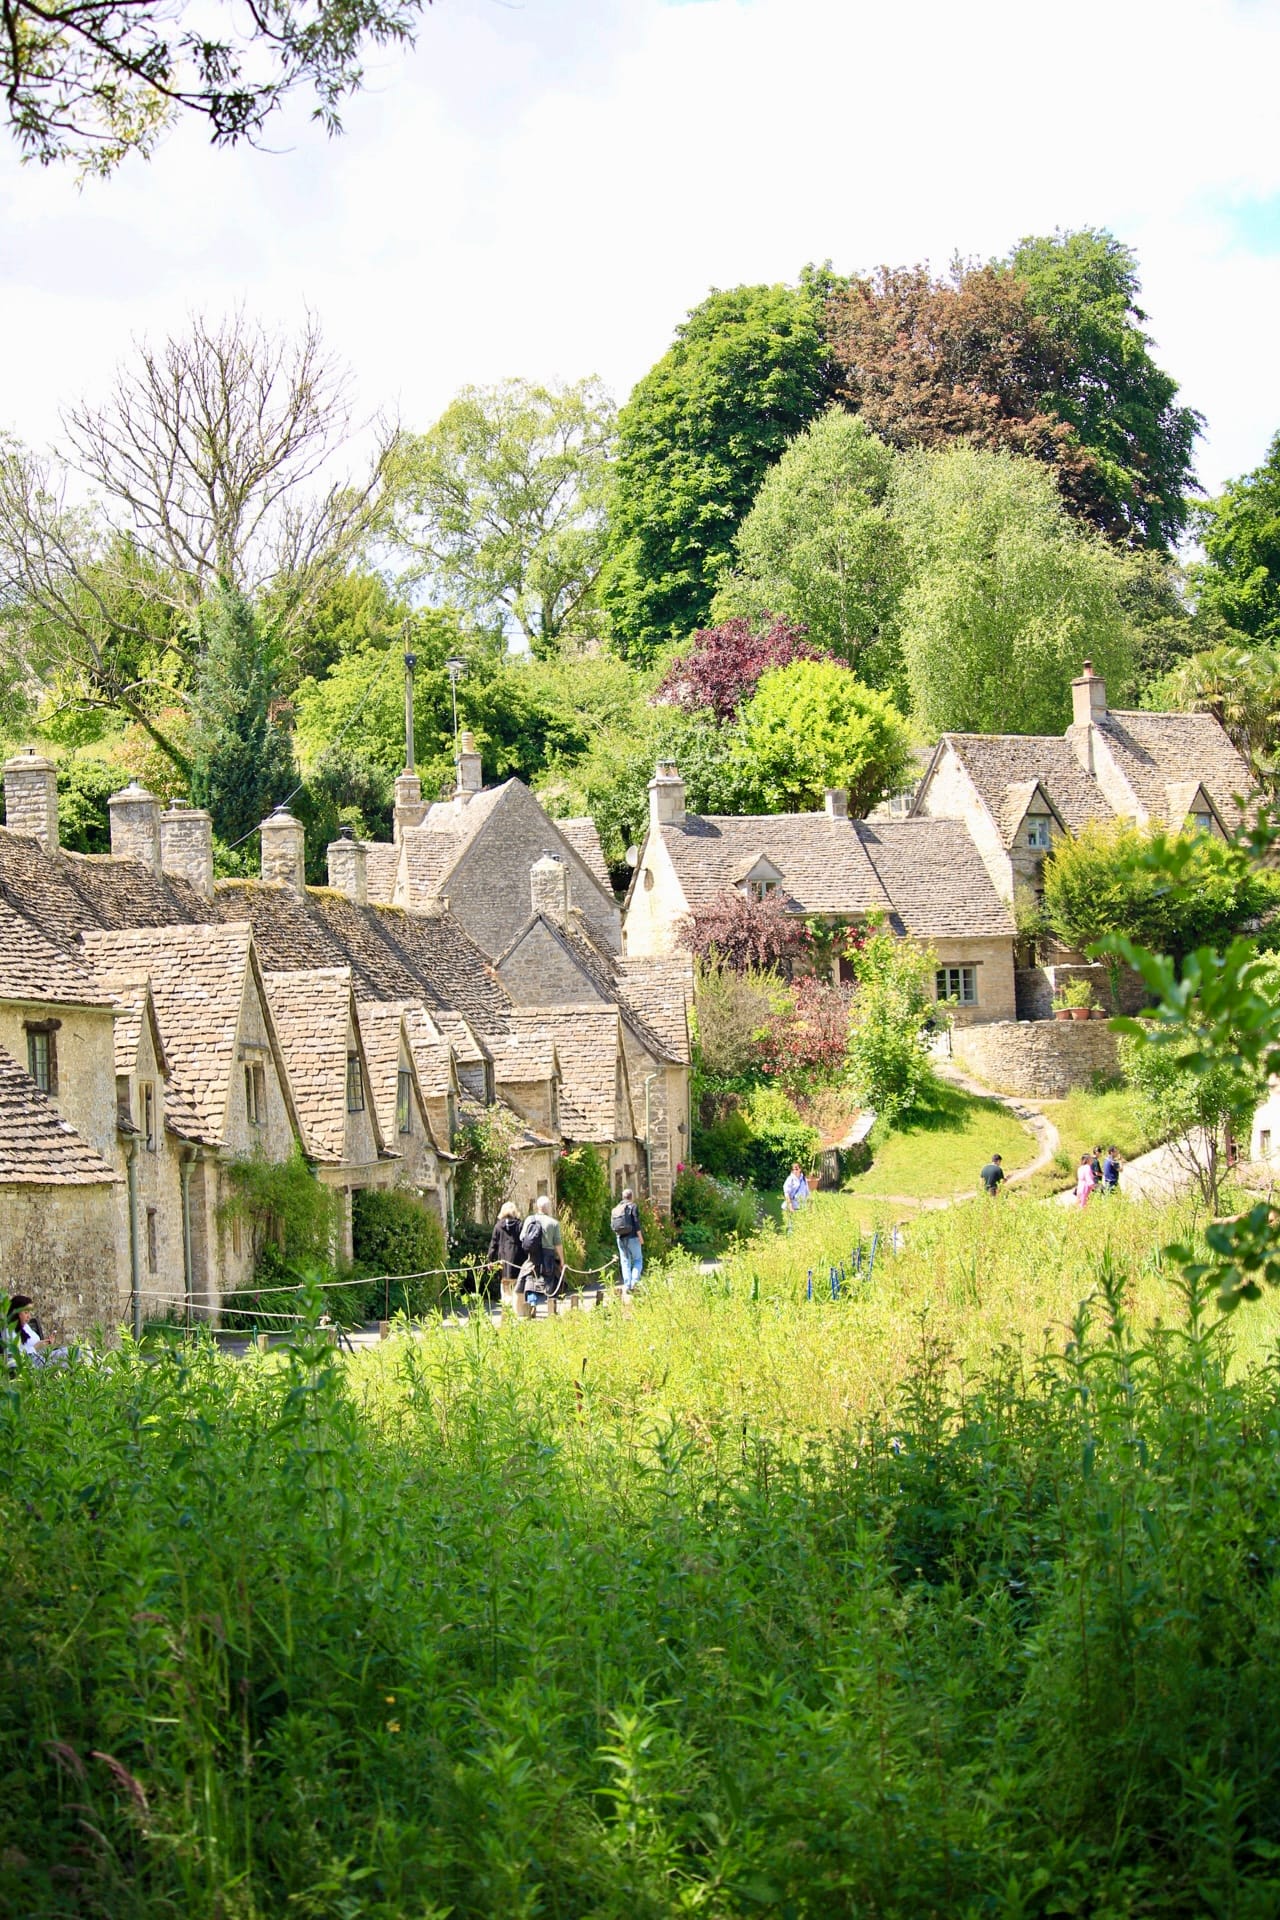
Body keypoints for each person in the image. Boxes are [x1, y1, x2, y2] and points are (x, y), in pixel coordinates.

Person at [517, 1194, 564, 1315]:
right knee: (549, 1280)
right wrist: (562, 1261)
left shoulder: (529, 1219)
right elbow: (558, 1244)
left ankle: (532, 1303)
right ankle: (551, 1307)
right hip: (548, 1255)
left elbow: (522, 1237)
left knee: (531, 1278)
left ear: (538, 1207)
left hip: (533, 1255)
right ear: (547, 1207)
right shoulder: (553, 1223)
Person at [486, 1202, 523, 1306]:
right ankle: (517, 1312)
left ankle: (506, 1313)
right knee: (517, 1288)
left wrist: (490, 1260)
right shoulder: (520, 1225)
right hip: (518, 1261)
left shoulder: (498, 1226)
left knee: (505, 1288)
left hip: (503, 1261)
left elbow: (493, 1244)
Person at [611, 1187, 644, 1291]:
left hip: (620, 1238)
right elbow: (636, 1222)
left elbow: (612, 1225)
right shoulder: (633, 1206)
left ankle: (627, 1285)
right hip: (633, 1237)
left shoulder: (616, 1208)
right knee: (638, 1260)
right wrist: (640, 1237)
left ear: (623, 1197)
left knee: (625, 1261)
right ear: (631, 1197)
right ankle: (634, 1282)